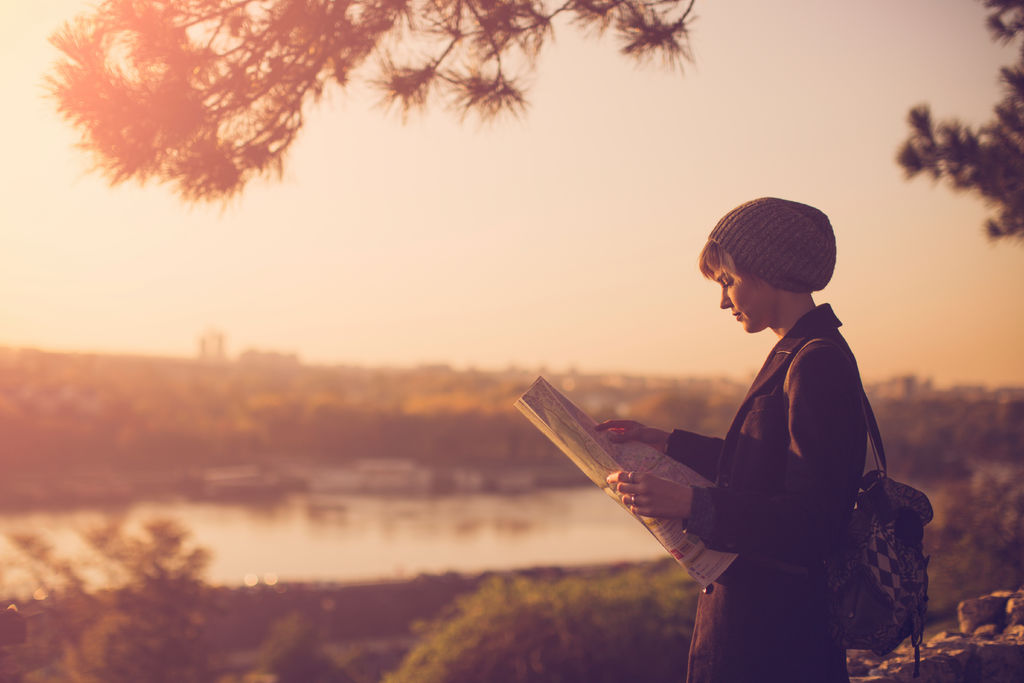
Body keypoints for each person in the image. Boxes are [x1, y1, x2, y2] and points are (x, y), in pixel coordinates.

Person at [597, 197, 867, 683]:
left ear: (767, 271)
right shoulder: (799, 352)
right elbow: (765, 463)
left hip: (777, 643)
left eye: (727, 281)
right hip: (769, 631)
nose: (723, 300)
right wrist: (662, 441)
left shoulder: (815, 362)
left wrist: (689, 502)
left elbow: (814, 521)